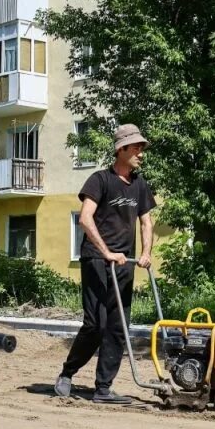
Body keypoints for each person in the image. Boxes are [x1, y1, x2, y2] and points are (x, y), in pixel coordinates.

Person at [54, 124, 156, 404]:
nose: (140, 154)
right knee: (95, 324)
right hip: (98, 260)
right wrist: (108, 252)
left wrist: (145, 253)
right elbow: (85, 219)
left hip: (125, 264)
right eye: (136, 149)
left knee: (117, 326)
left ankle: (103, 388)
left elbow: (146, 222)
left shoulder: (140, 185)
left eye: (141, 149)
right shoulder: (99, 180)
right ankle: (67, 372)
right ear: (121, 149)